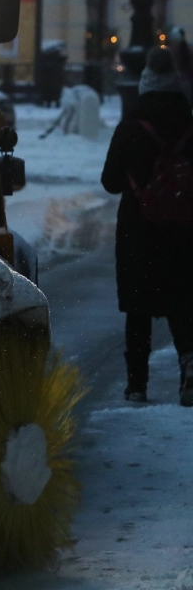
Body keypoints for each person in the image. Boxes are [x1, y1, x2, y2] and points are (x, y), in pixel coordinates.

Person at [100, 46, 193, 405]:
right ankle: (189, 366)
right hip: (184, 231)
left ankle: (137, 385)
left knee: (138, 309)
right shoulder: (189, 126)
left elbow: (110, 181)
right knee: (183, 302)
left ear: (144, 85)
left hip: (139, 231)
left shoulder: (131, 128)